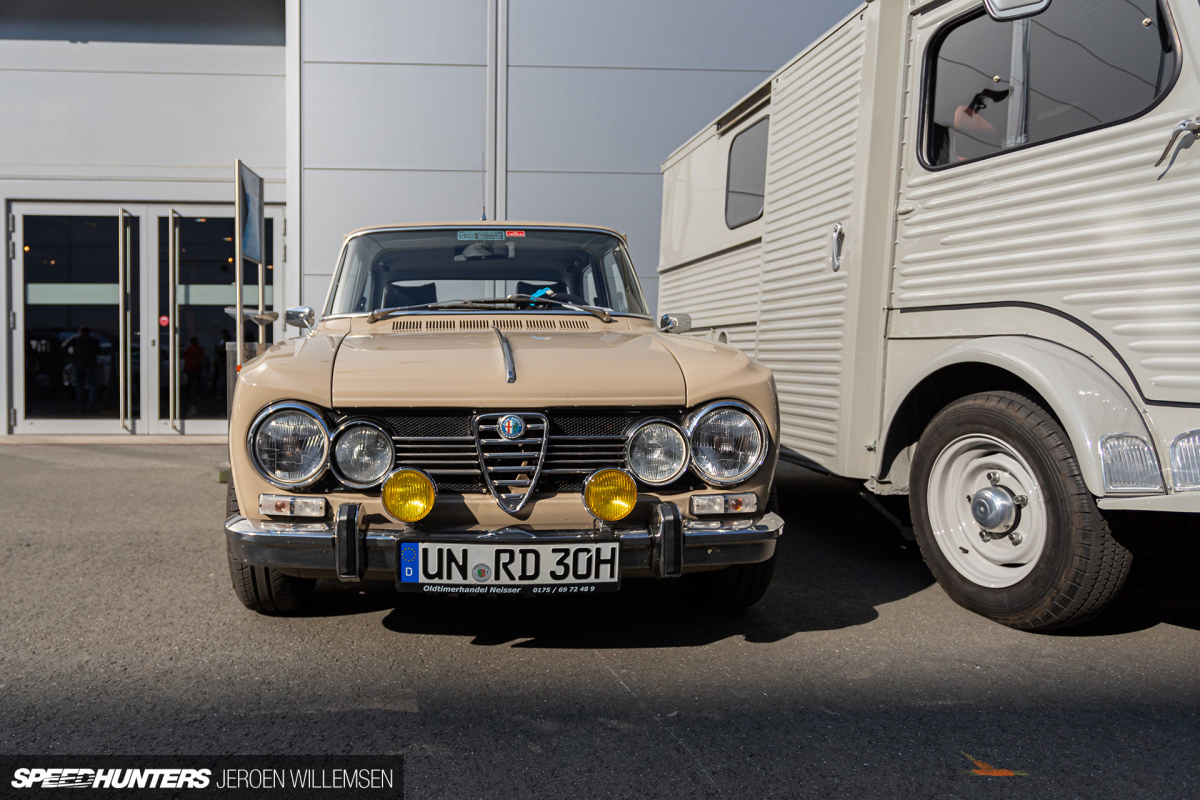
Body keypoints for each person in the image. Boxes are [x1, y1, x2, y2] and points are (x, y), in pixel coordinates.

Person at [64, 326, 100, 414]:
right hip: (91, 365)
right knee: (92, 385)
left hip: (78, 364)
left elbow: (64, 348)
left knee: (79, 386)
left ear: (80, 332)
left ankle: (81, 405)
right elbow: (99, 351)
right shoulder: (94, 340)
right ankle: (90, 404)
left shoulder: (75, 340)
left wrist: (71, 357)